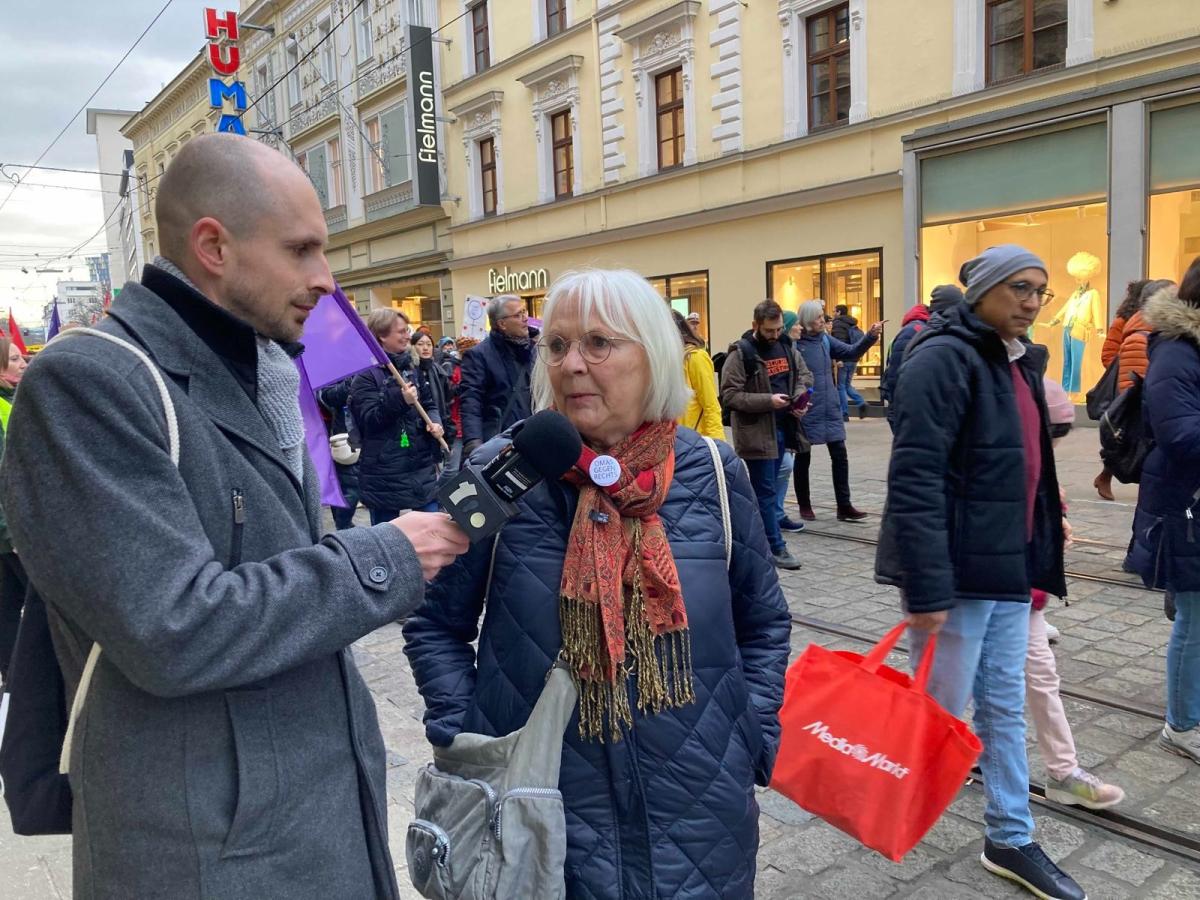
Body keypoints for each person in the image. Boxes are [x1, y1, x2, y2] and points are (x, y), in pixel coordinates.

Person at [0, 134, 469, 900]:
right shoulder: (88, 383)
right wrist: (381, 557)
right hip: (206, 854)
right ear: (214, 246)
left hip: (301, 825)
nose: (325, 279)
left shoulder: (261, 367)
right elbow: (171, 626)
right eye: (302, 250)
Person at [403, 268, 791, 900]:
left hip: (701, 807)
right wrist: (465, 732)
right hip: (539, 808)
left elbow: (765, 622)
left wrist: (753, 731)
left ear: (653, 355)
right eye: (555, 346)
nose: (571, 364)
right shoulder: (494, 472)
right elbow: (432, 622)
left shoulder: (715, 471)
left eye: (598, 344)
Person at [876, 244, 1085, 900]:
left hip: (1007, 569)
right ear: (984, 290)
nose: (1031, 302)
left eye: (1039, 292)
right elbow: (915, 478)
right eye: (1020, 288)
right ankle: (879, 794)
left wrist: (1047, 532)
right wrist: (927, 586)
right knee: (935, 713)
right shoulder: (941, 357)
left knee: (1000, 707)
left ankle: (1010, 835)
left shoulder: (1012, 361)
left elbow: (1025, 466)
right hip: (960, 578)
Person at [1030, 378, 1126, 810]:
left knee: (1042, 677)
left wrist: (1057, 519)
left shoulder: (1035, 455)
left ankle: (1063, 772)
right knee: (963, 682)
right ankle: (934, 757)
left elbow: (1047, 493)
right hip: (981, 588)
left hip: (1024, 590)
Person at [1127, 263, 1200, 763]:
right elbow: (1179, 434)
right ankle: (1183, 724)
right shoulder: (1177, 351)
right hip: (1186, 506)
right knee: (1195, 620)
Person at [719, 299, 813, 570]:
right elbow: (730, 395)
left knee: (769, 488)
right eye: (770, 330)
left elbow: (805, 376)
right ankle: (775, 547)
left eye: (779, 329)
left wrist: (798, 399)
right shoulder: (741, 353)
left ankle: (751, 539)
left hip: (785, 428)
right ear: (755, 325)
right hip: (757, 433)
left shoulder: (786, 346)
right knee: (765, 491)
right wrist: (767, 401)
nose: (775, 335)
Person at [791, 299, 882, 523]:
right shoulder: (795, 345)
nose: (823, 320)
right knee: (803, 456)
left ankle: (844, 505)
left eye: (823, 316)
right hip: (808, 407)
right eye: (818, 317)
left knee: (840, 454)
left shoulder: (825, 340)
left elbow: (851, 352)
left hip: (830, 407)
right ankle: (804, 504)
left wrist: (870, 336)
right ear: (807, 321)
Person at [350, 308, 444, 523]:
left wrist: (436, 423)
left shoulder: (412, 367)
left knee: (432, 527)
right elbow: (369, 420)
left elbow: (429, 404)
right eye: (401, 332)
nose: (407, 336)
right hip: (384, 472)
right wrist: (401, 400)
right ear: (382, 336)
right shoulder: (365, 375)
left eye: (407, 330)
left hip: (419, 465)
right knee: (387, 539)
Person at [1093, 278, 1171, 501]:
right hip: (1134, 397)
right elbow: (1112, 355)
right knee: (1131, 445)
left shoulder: (1154, 331)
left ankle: (1107, 477)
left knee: (1129, 445)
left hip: (1137, 395)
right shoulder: (1135, 331)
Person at [459, 293, 539, 456]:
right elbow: (471, 401)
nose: (525, 318)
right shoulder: (478, 355)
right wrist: (474, 443)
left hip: (534, 436)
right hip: (500, 443)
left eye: (524, 312)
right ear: (502, 324)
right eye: (518, 314)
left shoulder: (536, 350)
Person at [881, 285, 964, 430]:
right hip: (912, 408)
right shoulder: (914, 331)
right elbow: (897, 373)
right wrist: (897, 407)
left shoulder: (934, 329)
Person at [0, 335, 28, 681]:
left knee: (7, 606)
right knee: (45, 607)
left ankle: (12, 674)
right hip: (10, 532)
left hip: (8, 531)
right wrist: (15, 531)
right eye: (15, 359)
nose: (24, 363)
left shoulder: (10, 400)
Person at [316, 375, 362, 530]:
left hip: (370, 434)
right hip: (344, 437)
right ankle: (343, 527)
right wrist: (351, 382)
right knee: (350, 487)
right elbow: (326, 397)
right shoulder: (334, 368)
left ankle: (343, 526)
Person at [673, 308, 723, 440]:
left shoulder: (696, 357)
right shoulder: (667, 360)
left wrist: (718, 444)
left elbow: (710, 405)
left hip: (694, 441)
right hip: (673, 441)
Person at [830, 304, 868, 420]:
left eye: (834, 311)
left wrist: (839, 359)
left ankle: (844, 413)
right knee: (847, 385)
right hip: (854, 358)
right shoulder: (852, 323)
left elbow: (838, 342)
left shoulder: (838, 324)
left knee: (841, 386)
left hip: (844, 359)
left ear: (839, 312)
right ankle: (861, 402)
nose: (833, 313)